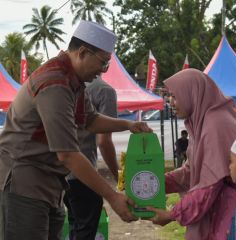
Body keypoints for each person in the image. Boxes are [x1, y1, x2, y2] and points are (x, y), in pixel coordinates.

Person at [0, 20, 151, 240]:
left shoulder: (74, 82)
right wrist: (112, 196)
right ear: (82, 52)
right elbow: (68, 154)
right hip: (23, 183)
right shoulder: (55, 84)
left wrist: (128, 125)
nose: (103, 71)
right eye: (103, 63)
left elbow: (89, 120)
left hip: (49, 185)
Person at [146, 69, 236, 240]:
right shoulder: (202, 120)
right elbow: (192, 169)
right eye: (169, 97)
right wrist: (155, 182)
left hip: (233, 210)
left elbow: (210, 185)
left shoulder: (215, 123)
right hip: (225, 208)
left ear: (192, 93)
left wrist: (171, 215)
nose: (170, 102)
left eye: (175, 96)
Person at [64, 76, 118, 240]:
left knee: (74, 225)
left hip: (59, 172)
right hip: (83, 173)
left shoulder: (64, 84)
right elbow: (104, 141)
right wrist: (118, 175)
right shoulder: (104, 90)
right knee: (85, 230)